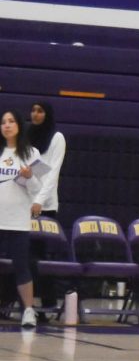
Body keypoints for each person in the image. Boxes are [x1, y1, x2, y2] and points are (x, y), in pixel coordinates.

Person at [0, 110, 43, 328]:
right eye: (3, 122)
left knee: (21, 265)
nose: (7, 125)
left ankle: (28, 310)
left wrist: (29, 177)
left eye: (11, 121)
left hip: (17, 220)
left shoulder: (30, 153)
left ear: (19, 125)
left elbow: (37, 189)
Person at [27, 101, 66, 315]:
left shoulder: (57, 138)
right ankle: (27, 303)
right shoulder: (27, 137)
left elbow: (52, 174)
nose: (35, 114)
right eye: (33, 110)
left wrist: (39, 201)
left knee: (39, 256)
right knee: (24, 254)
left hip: (46, 207)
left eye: (40, 111)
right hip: (24, 203)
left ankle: (46, 304)